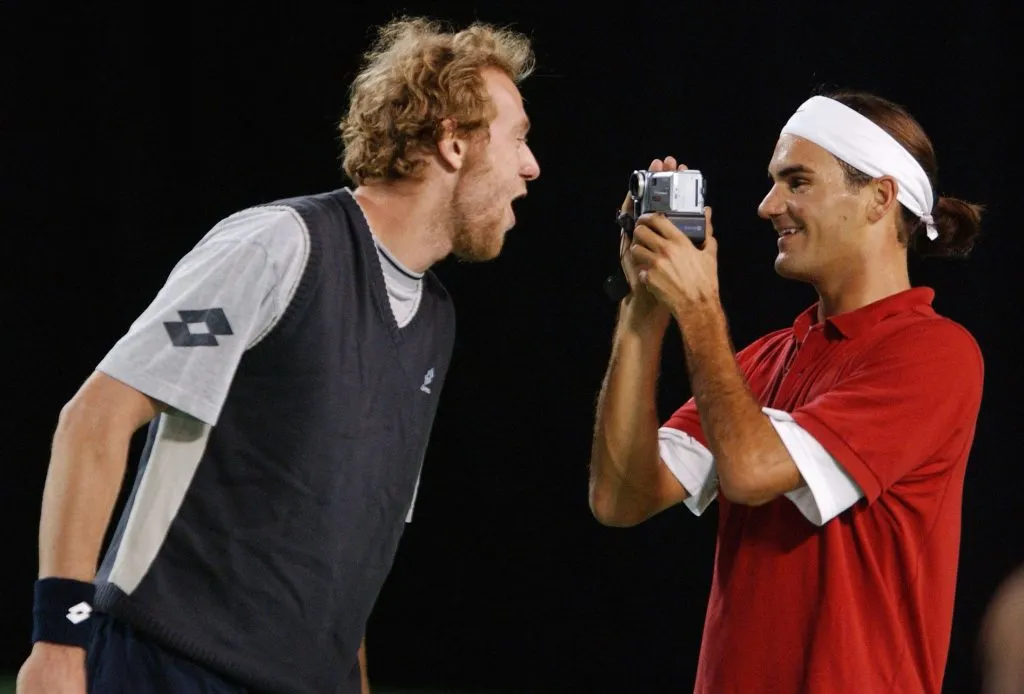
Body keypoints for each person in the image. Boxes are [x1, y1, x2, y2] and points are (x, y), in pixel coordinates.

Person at [16, 15, 540, 694]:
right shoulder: (278, 247)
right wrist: (60, 638)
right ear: (453, 142)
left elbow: (351, 540)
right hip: (168, 667)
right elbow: (94, 419)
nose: (531, 166)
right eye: (518, 137)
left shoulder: (436, 318)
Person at [588, 90, 985, 693]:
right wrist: (644, 312)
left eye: (797, 182)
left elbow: (752, 471)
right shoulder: (766, 357)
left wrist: (698, 306)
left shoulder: (934, 353)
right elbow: (620, 497)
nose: (767, 206)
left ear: (881, 198)